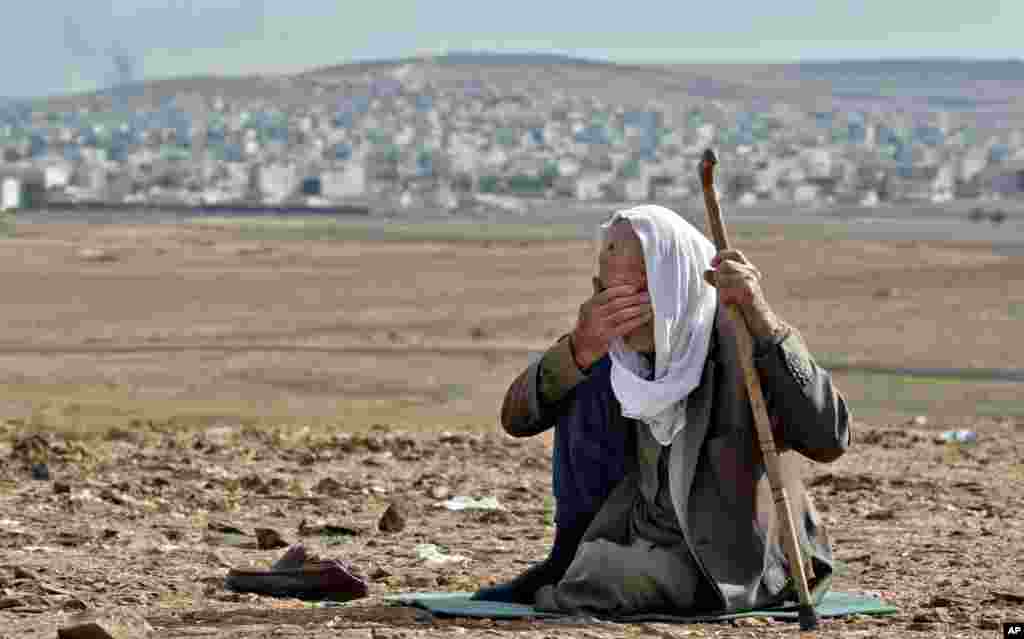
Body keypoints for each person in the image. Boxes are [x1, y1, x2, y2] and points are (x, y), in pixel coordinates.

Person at [472, 205, 850, 616]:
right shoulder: (611, 349)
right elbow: (517, 419)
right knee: (586, 379)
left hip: (729, 558)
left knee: (603, 575)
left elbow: (829, 438)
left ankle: (572, 582)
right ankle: (564, 562)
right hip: (636, 532)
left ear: (674, 285)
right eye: (607, 294)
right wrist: (577, 350)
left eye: (637, 296)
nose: (621, 313)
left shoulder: (737, 342)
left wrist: (765, 322)